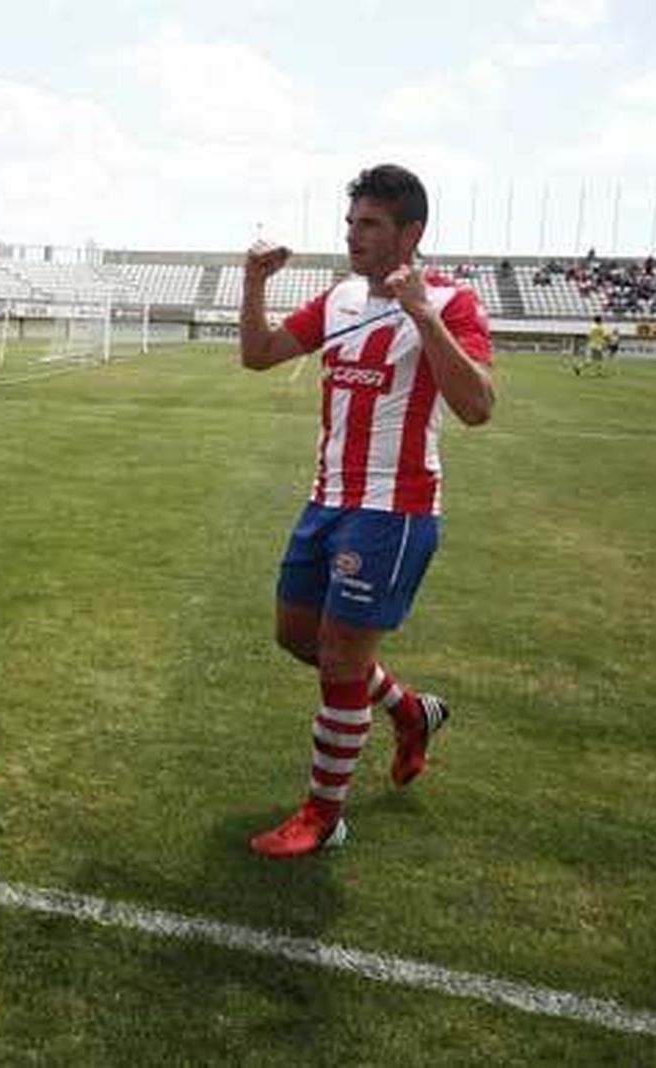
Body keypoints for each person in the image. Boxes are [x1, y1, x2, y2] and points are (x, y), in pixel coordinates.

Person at [237, 163, 494, 859]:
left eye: (370, 224)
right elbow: (258, 355)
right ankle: (410, 713)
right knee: (300, 638)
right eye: (351, 222)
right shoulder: (341, 298)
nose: (354, 236)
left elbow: (477, 407)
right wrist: (254, 284)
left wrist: (421, 312)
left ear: (410, 232)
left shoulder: (453, 301)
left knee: (342, 660)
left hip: (394, 510)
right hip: (326, 501)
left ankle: (325, 816)